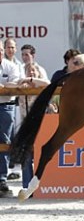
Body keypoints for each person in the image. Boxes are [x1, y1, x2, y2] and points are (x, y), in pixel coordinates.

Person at [0, 40, 20, 195]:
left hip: (7, 106)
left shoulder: (11, 66)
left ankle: (2, 178)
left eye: (1, 49)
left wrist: (4, 87)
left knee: (5, 141)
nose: (0, 52)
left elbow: (16, 83)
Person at [4, 38, 24, 180]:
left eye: (12, 47)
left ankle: (9, 169)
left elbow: (20, 82)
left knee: (10, 137)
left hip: (16, 102)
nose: (10, 49)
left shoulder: (18, 65)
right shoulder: (7, 64)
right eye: (8, 47)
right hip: (8, 102)